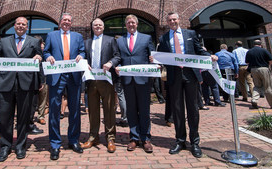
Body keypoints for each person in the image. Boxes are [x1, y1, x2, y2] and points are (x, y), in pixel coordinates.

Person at [156, 12, 216, 158]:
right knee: (177, 109)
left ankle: (195, 142)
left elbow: (198, 50)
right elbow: (161, 56)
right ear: (167, 22)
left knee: (193, 108)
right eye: (169, 20)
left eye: (174, 19)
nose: (172, 22)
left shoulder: (190, 33)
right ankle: (180, 140)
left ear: (179, 20)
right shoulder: (163, 38)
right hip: (174, 75)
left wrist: (209, 56)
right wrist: (156, 61)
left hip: (190, 74)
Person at [0, 17, 43, 162]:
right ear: (14, 26)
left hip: (26, 85)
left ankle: (20, 146)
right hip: (6, 84)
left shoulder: (34, 42)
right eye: (18, 24)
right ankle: (5, 146)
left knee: (23, 117)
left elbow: (40, 58)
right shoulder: (4, 41)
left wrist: (39, 57)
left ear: (27, 27)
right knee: (5, 117)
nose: (21, 26)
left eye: (23, 24)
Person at [43, 13, 86, 160]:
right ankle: (55, 144)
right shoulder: (51, 35)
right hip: (56, 76)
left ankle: (73, 140)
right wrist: (47, 56)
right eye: (64, 20)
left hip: (73, 76)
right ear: (60, 22)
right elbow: (46, 51)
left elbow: (82, 51)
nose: (66, 22)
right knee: (54, 110)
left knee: (75, 110)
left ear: (71, 23)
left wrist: (81, 55)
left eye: (69, 20)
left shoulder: (78, 37)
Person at [115, 14, 155, 153]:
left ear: (137, 24)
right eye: (128, 23)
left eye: (133, 22)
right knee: (131, 110)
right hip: (127, 80)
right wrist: (116, 66)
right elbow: (118, 58)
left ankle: (146, 138)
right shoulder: (120, 41)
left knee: (144, 109)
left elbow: (153, 56)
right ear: (125, 25)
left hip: (143, 79)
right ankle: (134, 138)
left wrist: (155, 61)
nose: (131, 25)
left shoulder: (146, 38)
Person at [81, 18, 121, 153]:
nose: (97, 27)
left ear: (103, 27)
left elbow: (117, 56)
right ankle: (93, 137)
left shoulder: (110, 40)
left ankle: (110, 138)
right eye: (95, 25)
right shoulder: (87, 42)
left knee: (109, 109)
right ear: (92, 27)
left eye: (100, 25)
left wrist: (110, 63)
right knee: (93, 110)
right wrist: (84, 63)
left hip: (106, 80)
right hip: (91, 81)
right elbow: (82, 57)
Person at [245, 39, 272, 109]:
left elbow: (247, 63)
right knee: (268, 86)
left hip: (253, 70)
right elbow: (271, 61)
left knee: (257, 86)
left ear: (254, 44)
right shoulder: (264, 50)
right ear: (260, 44)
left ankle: (254, 100)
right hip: (264, 69)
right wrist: (267, 65)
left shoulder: (249, 52)